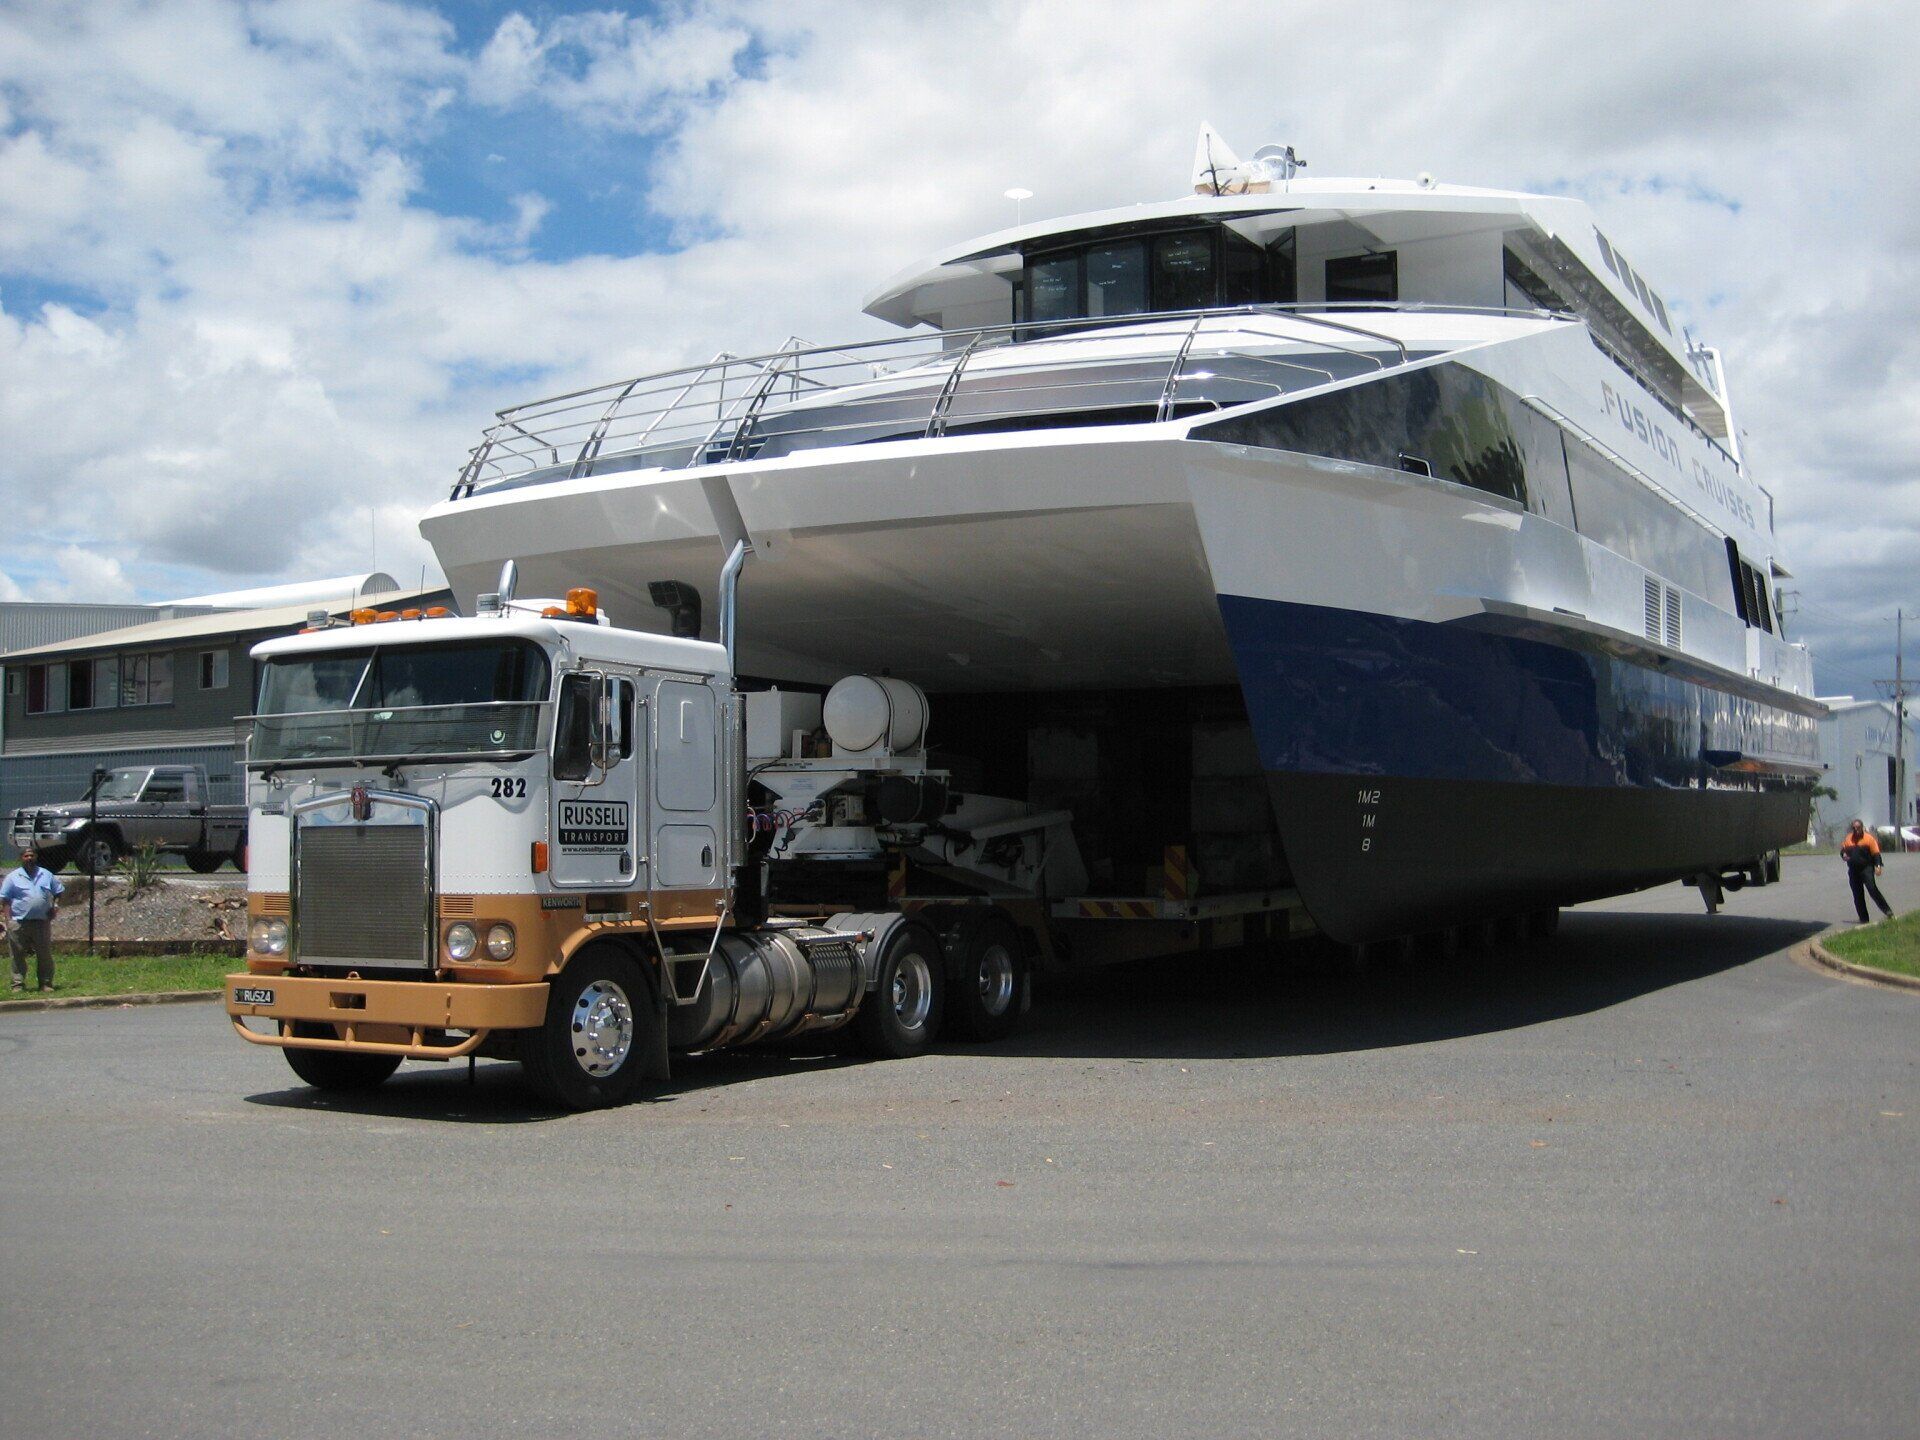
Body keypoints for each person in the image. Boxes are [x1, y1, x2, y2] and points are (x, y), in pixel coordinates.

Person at [3, 846, 65, 992]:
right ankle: (17, 984)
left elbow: (59, 891)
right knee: (17, 955)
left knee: (44, 954)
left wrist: (55, 906)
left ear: (36, 857)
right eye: (26, 856)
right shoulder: (13, 877)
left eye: (31, 855)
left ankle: (46, 983)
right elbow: (5, 899)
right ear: (21, 858)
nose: (29, 858)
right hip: (18, 922)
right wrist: (8, 921)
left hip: (41, 922)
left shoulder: (46, 874)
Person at [1839, 819, 1893, 924]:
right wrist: (1843, 854)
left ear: (1862, 827)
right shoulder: (1848, 838)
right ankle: (1864, 919)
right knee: (1857, 894)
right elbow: (1843, 850)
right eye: (1854, 828)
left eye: (1858, 828)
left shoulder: (1869, 839)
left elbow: (1876, 853)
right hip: (1853, 870)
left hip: (1866, 868)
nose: (1856, 830)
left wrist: (1878, 866)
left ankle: (1888, 911)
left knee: (1872, 890)